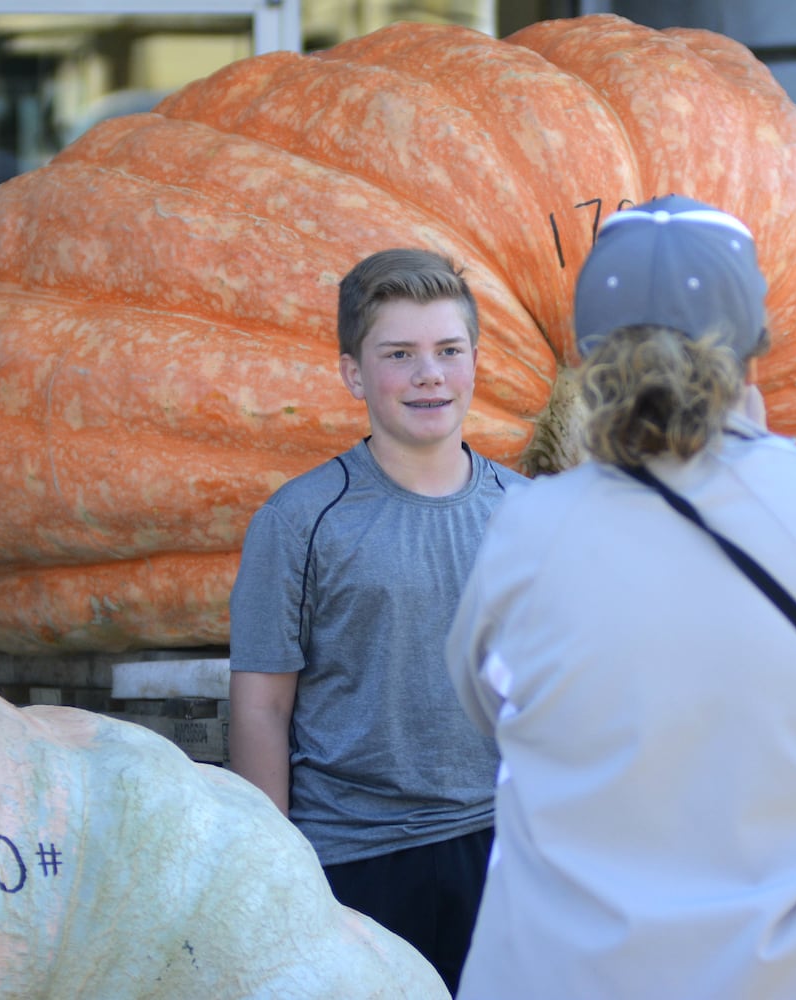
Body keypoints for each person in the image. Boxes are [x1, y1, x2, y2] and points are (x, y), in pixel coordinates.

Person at [444, 195, 796, 1000]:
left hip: (586, 972)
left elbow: (490, 704)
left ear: (590, 354)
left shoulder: (530, 529)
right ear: (754, 346)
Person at [228, 247, 525, 995]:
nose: (429, 374)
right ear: (354, 373)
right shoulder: (301, 520)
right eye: (400, 354)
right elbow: (262, 704)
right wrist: (275, 875)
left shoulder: (529, 514)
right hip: (354, 856)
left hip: (505, 847)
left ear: (474, 361)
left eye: (447, 351)